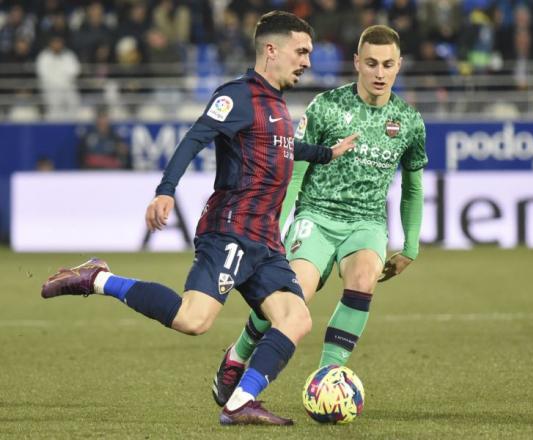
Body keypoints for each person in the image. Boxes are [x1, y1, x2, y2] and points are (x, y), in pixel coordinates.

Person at [40, 11, 356, 426]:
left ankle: (241, 402)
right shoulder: (239, 95)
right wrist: (165, 190)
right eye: (301, 52)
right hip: (231, 230)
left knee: (296, 318)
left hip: (265, 240)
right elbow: (195, 138)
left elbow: (282, 149)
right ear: (271, 50)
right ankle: (97, 278)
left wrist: (326, 153)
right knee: (193, 319)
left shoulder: (278, 104)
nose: (308, 62)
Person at [212, 24, 427, 408]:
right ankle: (238, 355)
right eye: (372, 63)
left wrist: (410, 245)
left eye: (388, 64)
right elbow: (294, 171)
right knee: (294, 297)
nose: (380, 73)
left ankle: (329, 378)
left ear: (399, 66)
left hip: (367, 223)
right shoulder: (327, 107)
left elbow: (412, 187)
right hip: (317, 215)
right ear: (357, 63)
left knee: (363, 279)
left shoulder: (409, 122)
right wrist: (275, 226)